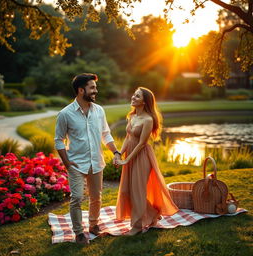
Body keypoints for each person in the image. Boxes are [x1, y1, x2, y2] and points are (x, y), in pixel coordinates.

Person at [54, 73, 121, 244]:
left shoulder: (99, 111)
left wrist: (115, 152)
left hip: (96, 162)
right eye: (92, 88)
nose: (95, 91)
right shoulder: (65, 114)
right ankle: (78, 232)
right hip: (76, 164)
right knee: (76, 198)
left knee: (96, 197)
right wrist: (67, 163)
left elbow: (106, 134)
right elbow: (59, 140)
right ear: (80, 90)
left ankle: (93, 225)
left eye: (95, 88)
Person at [115, 87, 179, 236]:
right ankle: (153, 214)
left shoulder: (148, 119)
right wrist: (119, 154)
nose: (133, 97)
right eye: (134, 95)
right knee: (127, 190)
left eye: (137, 96)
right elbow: (128, 138)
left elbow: (142, 143)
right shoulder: (131, 116)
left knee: (137, 191)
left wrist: (127, 160)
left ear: (144, 102)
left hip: (142, 156)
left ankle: (136, 227)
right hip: (130, 155)